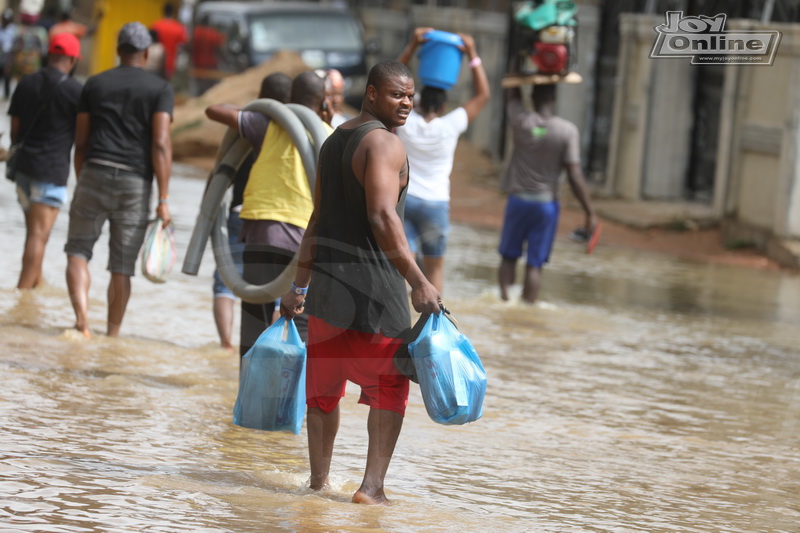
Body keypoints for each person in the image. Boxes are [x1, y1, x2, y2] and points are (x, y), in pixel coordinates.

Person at [280, 60, 441, 505]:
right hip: (375, 293)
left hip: (328, 295)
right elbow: (382, 215)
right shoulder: (386, 145)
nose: (406, 102)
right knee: (389, 387)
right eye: (396, 94)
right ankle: (371, 489)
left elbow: (317, 218)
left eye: (410, 95)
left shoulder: (333, 143)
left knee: (323, 393)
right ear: (371, 94)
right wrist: (418, 279)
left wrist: (300, 286)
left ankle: (317, 485)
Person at [205, 71, 330, 355]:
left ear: (289, 100)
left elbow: (214, 110)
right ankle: (293, 393)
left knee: (254, 324)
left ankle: (249, 392)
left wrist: (264, 108)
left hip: (262, 231)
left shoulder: (267, 125)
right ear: (323, 101)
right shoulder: (330, 135)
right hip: (304, 238)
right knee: (300, 321)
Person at [64, 22, 174, 337]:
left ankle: (82, 322)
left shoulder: (94, 84)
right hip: (135, 182)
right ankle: (112, 335)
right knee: (122, 265)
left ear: (118, 49)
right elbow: (161, 143)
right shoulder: (160, 89)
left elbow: (80, 140)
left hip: (94, 169)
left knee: (77, 250)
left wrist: (82, 177)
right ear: (146, 52)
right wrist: (163, 199)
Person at [396, 27, 490, 294]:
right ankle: (435, 328)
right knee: (435, 269)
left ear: (416, 101)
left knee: (406, 267)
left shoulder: (406, 122)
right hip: (436, 203)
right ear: (445, 105)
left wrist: (412, 45)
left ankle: (400, 328)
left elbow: (387, 80)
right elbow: (483, 95)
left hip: (406, 198)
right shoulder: (451, 125)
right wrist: (472, 53)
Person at [497, 56, 597, 304]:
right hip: (546, 206)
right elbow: (574, 174)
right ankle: (527, 311)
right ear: (553, 99)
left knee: (508, 257)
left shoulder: (521, 121)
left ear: (533, 98)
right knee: (534, 265)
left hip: (518, 201)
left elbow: (512, 93)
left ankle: (504, 303)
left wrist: (516, 64)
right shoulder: (566, 131)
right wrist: (590, 212)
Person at [208, 72, 292, 352]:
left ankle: (226, 346)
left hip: (241, 213)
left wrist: (251, 109)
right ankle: (271, 346)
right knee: (277, 291)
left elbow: (213, 110)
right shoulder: (295, 132)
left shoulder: (253, 125)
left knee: (225, 283)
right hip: (283, 221)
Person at [9, 33, 82, 289]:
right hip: (50, 171)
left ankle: (36, 288)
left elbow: (15, 127)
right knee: (39, 237)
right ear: (72, 60)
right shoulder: (76, 91)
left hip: (22, 170)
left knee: (34, 235)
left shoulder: (26, 83)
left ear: (49, 55)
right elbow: (83, 135)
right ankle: (22, 296)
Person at [150, 3, 187, 81]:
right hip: (170, 64)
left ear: (163, 12)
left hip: (155, 65)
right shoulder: (179, 28)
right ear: (173, 12)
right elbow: (183, 45)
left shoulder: (155, 25)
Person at [9, 10, 48, 83]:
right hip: (32, 63)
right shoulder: (40, 32)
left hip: (20, 62)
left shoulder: (18, 30)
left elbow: (13, 48)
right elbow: (44, 51)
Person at [0, 9, 16, 99]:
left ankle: (6, 95)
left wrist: (10, 60)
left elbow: (14, 46)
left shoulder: (13, 30)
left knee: (7, 76)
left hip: (8, 54)